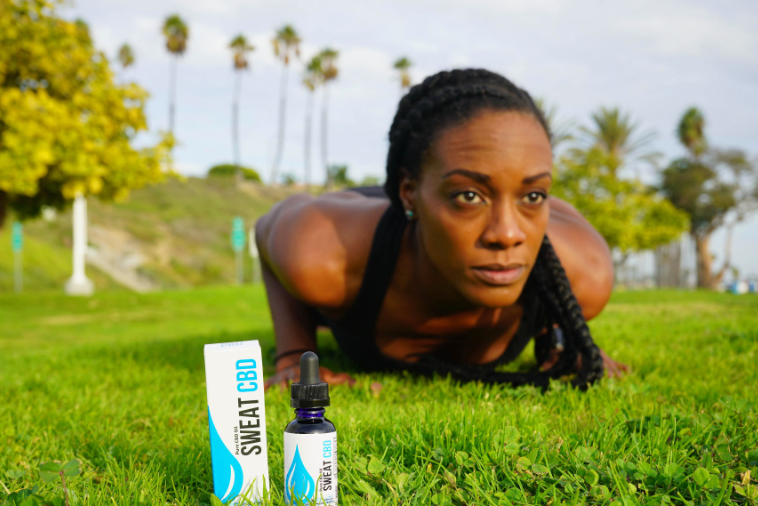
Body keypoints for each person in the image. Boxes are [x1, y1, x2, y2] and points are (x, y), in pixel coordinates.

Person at [256, 68, 628, 391]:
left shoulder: (585, 274)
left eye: (533, 194)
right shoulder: (325, 250)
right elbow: (265, 229)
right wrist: (293, 353)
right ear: (409, 193)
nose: (506, 234)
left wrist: (562, 335)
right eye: (469, 196)